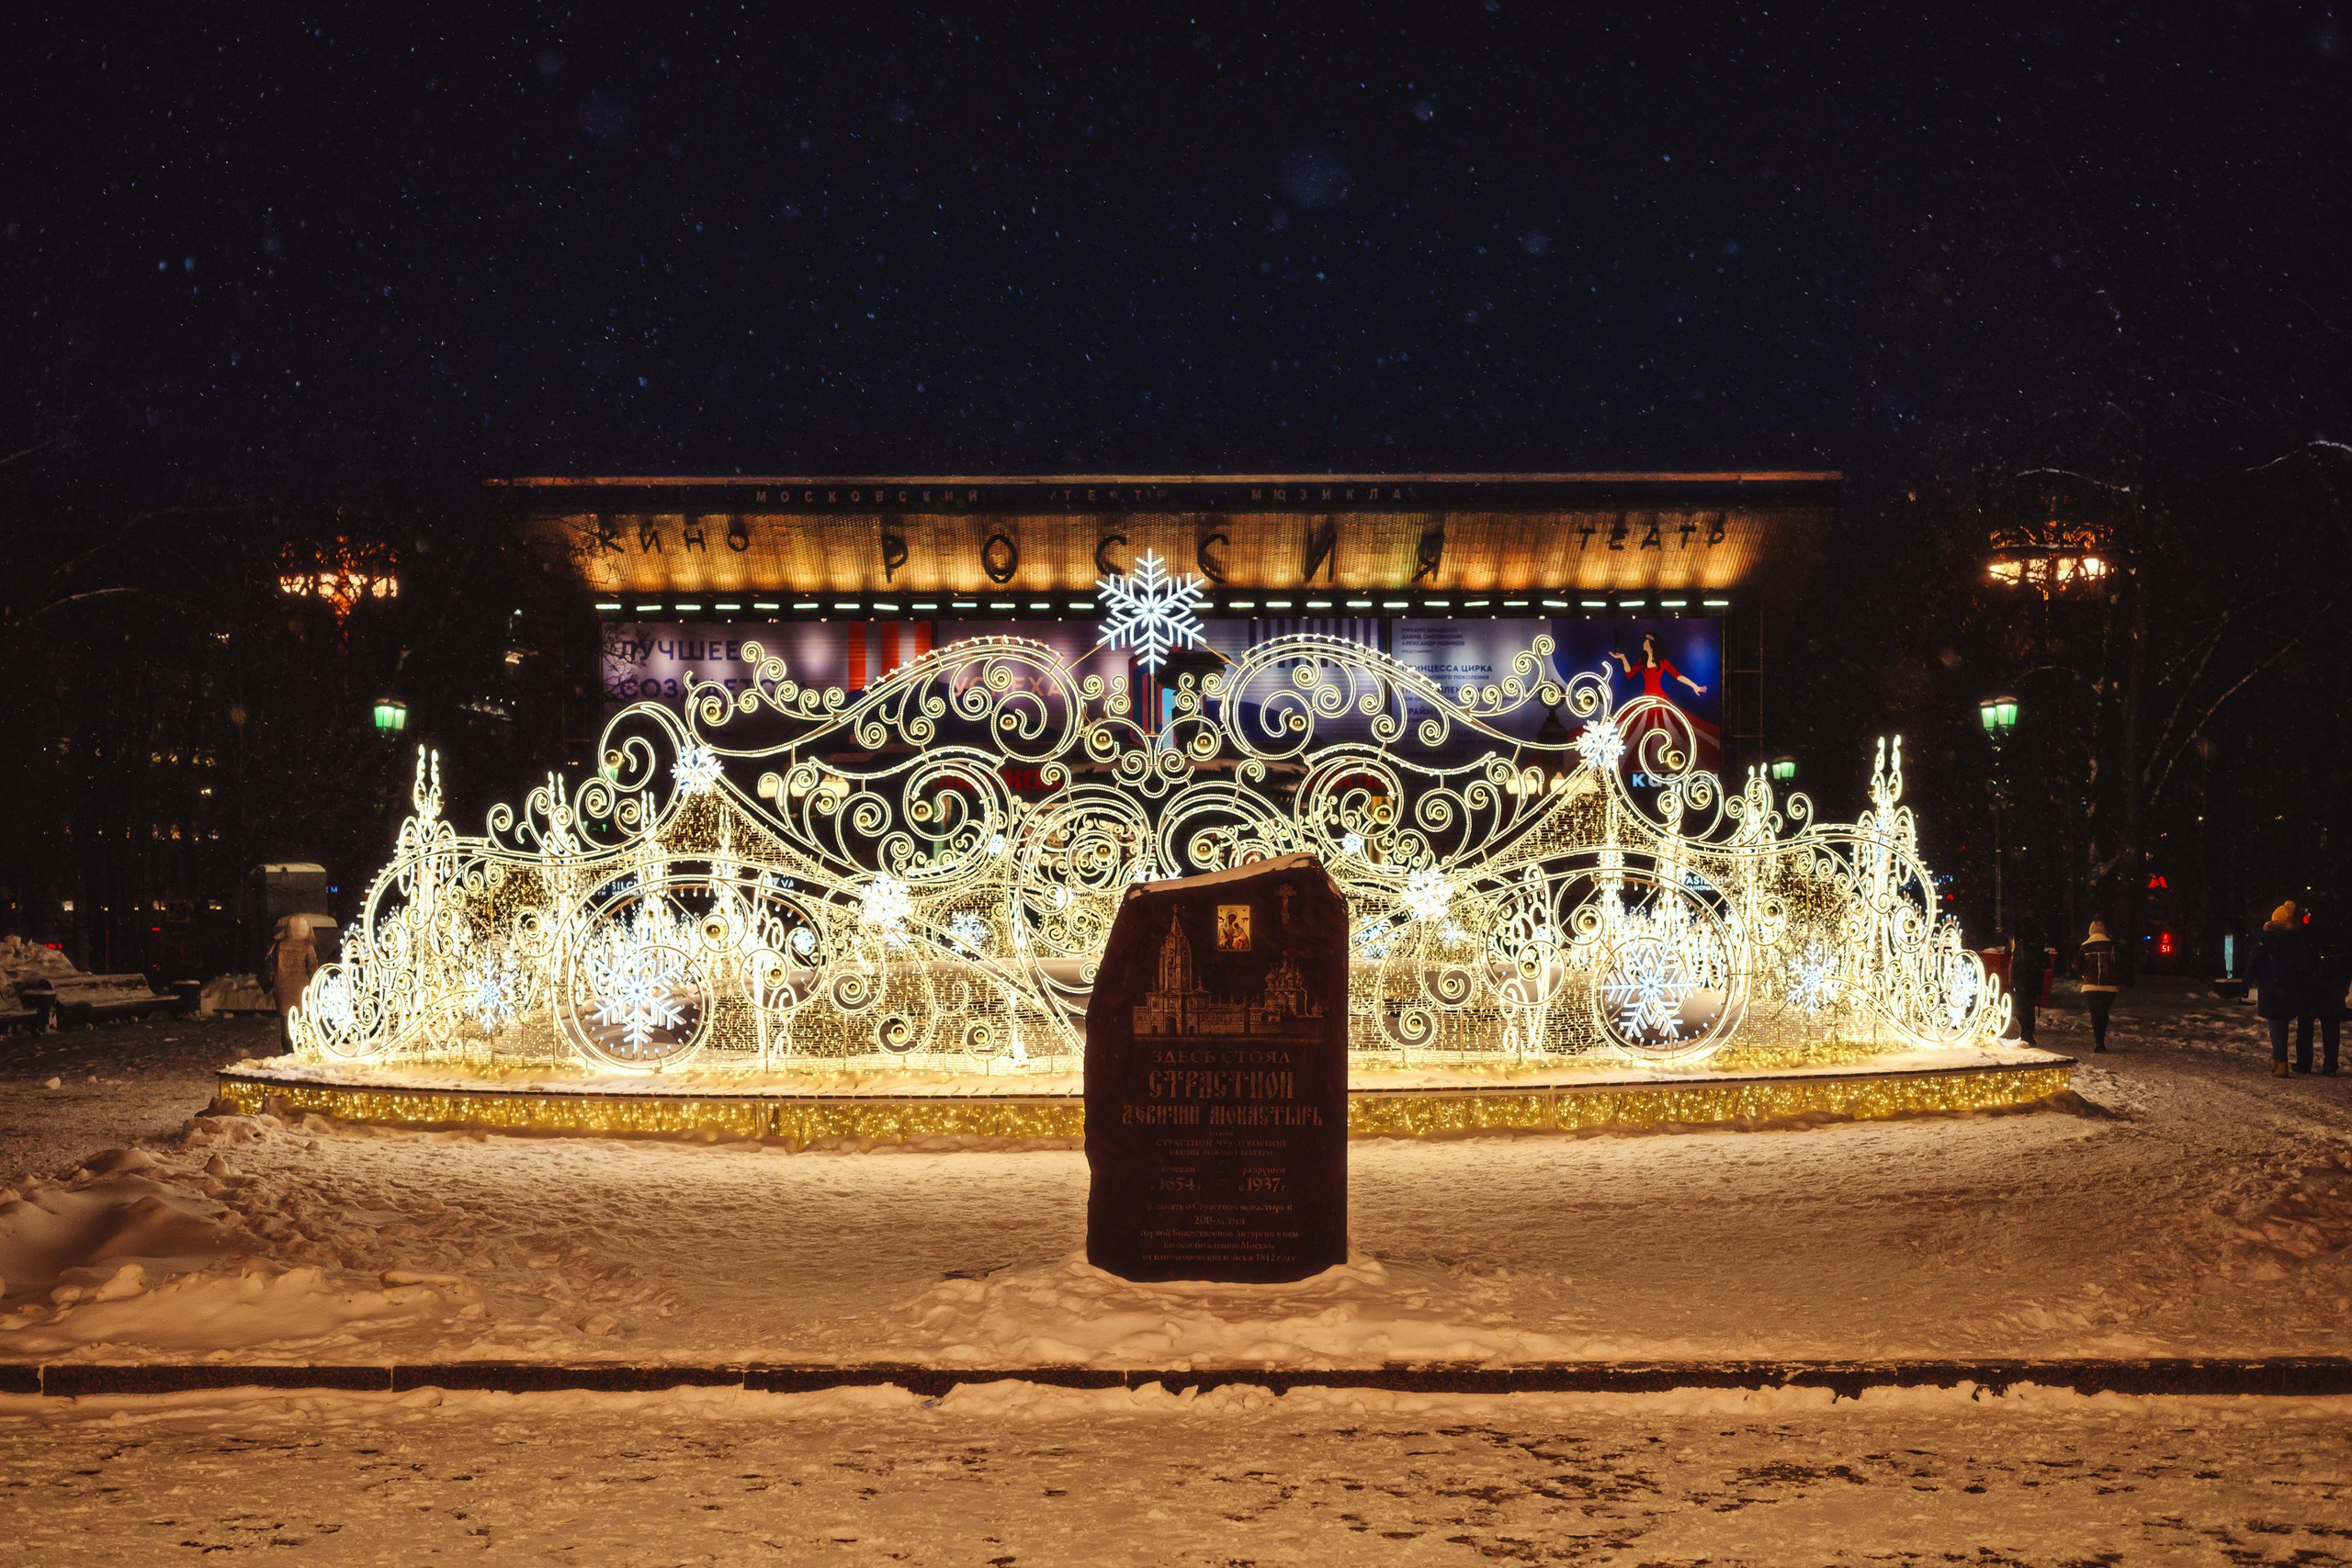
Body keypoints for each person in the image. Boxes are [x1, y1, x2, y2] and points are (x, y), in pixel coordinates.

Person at [2250, 901, 2313, 1077]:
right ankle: (2277, 1060)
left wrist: (2246, 982)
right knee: (2281, 1024)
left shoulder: (2268, 938)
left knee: (2276, 1025)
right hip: (2291, 988)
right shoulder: (2299, 939)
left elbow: (2255, 960)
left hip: (2272, 987)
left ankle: (2281, 1063)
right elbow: (2307, 964)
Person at [2301, 905, 2345, 1077]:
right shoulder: (2338, 936)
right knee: (2331, 1028)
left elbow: (2303, 962)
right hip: (2332, 990)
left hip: (2311, 988)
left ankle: (2305, 1063)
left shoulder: (2307, 936)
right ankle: (2330, 1065)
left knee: (2305, 1027)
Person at [2079, 919, 2121, 1052]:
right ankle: (2101, 1040)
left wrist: (2084, 973)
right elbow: (2119, 964)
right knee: (2103, 1012)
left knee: (2095, 1014)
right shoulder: (2112, 946)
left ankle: (2099, 1042)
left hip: (2090, 986)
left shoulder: (2084, 947)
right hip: (2109, 986)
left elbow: (2077, 965)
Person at [2008, 919, 2048, 1045]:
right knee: (2029, 1005)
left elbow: (2007, 952)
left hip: (2020, 978)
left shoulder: (2018, 942)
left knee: (2020, 1006)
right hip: (2034, 978)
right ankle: (2028, 1032)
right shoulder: (2037, 941)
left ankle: (2026, 1033)